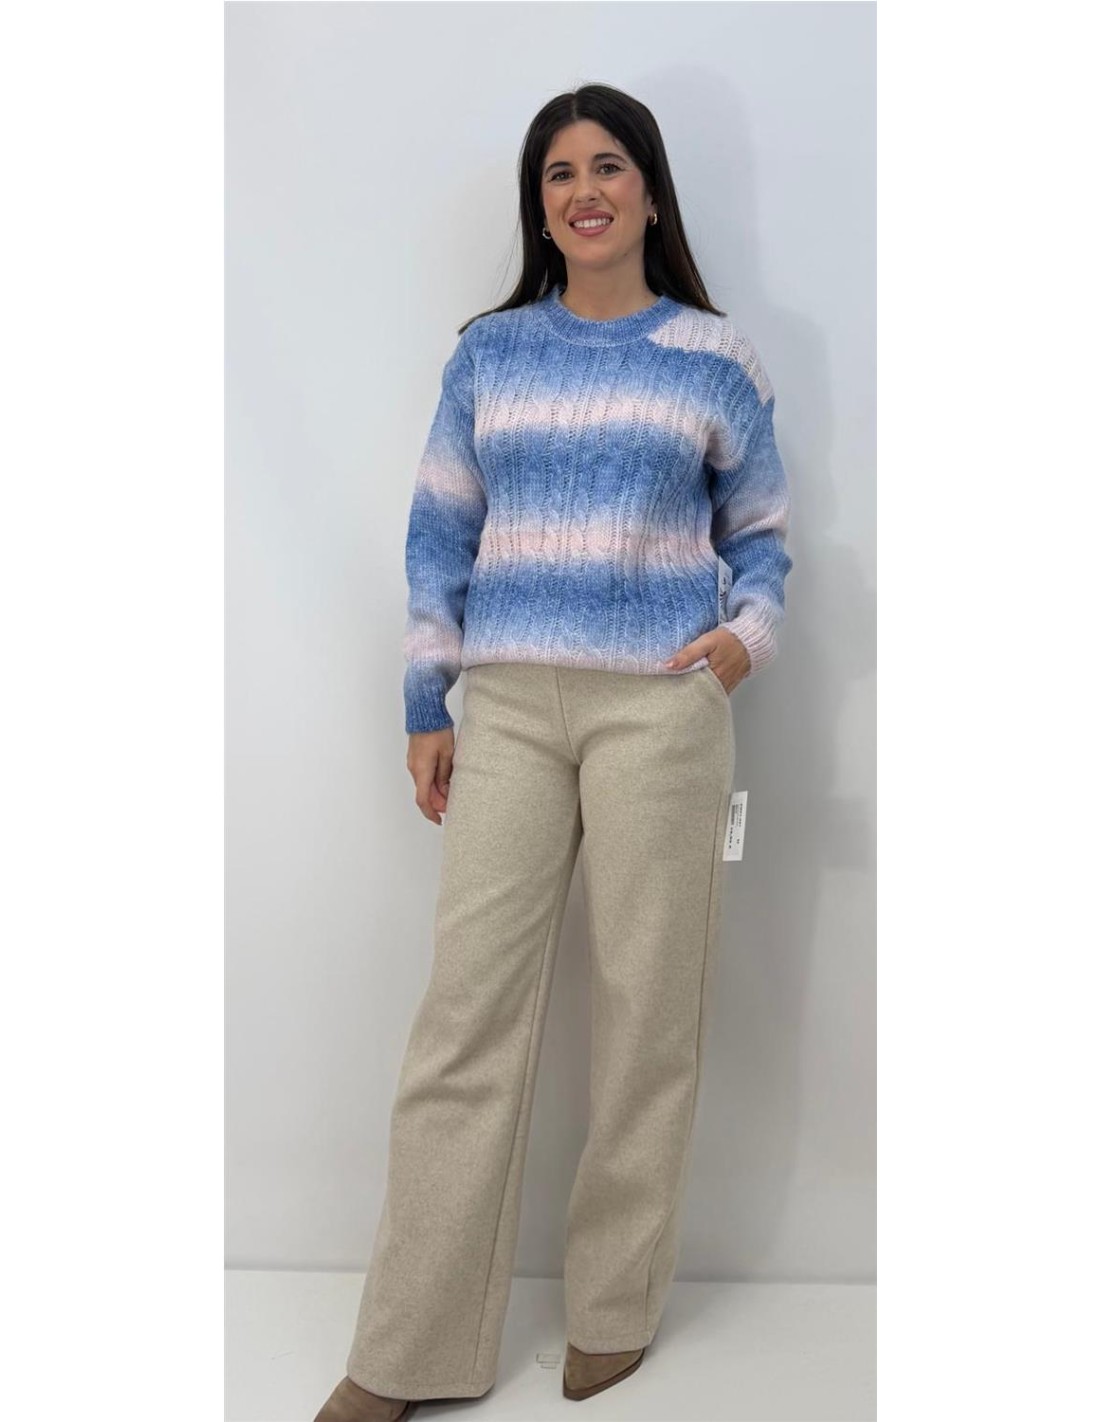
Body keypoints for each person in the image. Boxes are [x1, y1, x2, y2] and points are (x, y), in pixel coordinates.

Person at [315, 82, 793, 1422]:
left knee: (650, 1012)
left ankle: (616, 1306)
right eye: (560, 173)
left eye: (610, 165)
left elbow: (763, 536)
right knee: (465, 1017)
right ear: (540, 206)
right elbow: (438, 534)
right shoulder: (491, 355)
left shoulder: (715, 357)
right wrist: (427, 699)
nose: (585, 190)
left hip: (662, 710)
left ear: (650, 190)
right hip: (513, 707)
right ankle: (407, 1348)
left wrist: (745, 638)